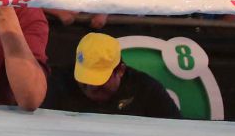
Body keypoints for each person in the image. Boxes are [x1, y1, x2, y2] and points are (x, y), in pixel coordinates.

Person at [46, 32, 179, 118]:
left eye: (99, 81)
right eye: (84, 79)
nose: (91, 87)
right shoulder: (57, 82)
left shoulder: (146, 90)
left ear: (120, 70)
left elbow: (176, 130)